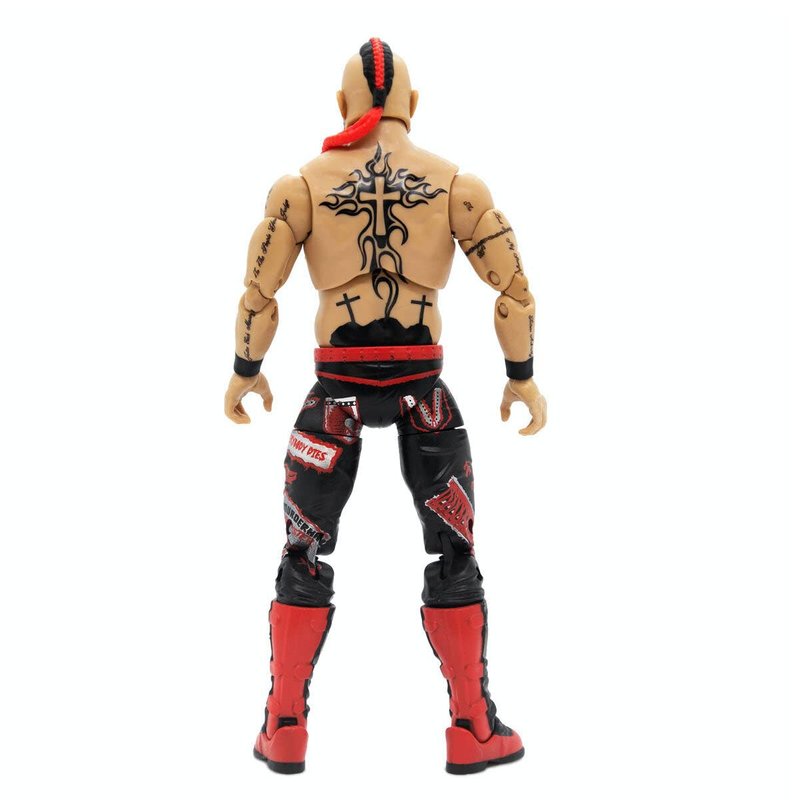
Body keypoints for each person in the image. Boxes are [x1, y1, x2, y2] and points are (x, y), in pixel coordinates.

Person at [224, 38, 547, 774]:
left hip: (335, 391)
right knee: (455, 549)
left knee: (302, 550)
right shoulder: (454, 185)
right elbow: (513, 290)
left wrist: (245, 370)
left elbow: (259, 292)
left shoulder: (302, 186)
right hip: (422, 391)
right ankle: (472, 726)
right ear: (413, 105)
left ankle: (284, 726)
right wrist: (521, 377)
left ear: (343, 105)